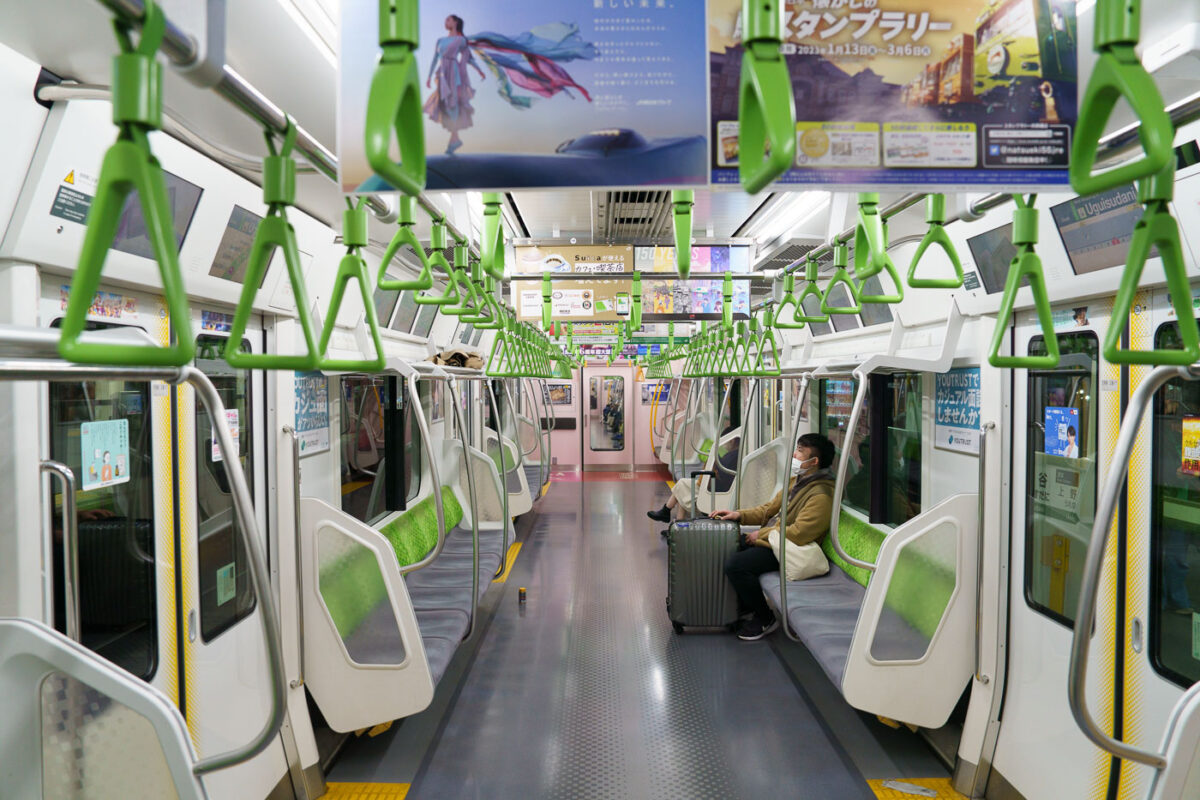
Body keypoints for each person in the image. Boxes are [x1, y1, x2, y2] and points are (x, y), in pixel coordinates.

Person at [711, 433, 836, 641]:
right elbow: (769, 509)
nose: (794, 455)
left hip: (788, 549)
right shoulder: (798, 481)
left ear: (814, 462)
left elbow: (799, 534)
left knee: (737, 565)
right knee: (727, 546)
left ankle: (765, 618)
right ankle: (746, 605)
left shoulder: (821, 495)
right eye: (796, 449)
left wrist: (762, 534)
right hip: (773, 540)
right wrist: (739, 515)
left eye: (800, 452)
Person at [425, 15, 487, 155]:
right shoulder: (440, 40)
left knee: (453, 103)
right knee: (445, 104)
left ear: (455, 22)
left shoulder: (461, 40)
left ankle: (454, 139)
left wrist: (479, 70)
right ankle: (455, 138)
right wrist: (429, 76)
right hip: (442, 74)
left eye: (448, 19)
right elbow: (435, 59)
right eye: (445, 19)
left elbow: (469, 58)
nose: (445, 21)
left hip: (454, 73)